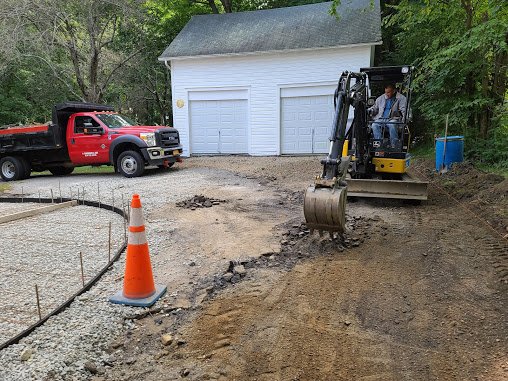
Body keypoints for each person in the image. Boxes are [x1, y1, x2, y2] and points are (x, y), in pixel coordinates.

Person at [368, 84, 407, 148]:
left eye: (388, 92)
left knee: (392, 124)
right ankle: (379, 145)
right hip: (381, 118)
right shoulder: (380, 98)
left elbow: (405, 110)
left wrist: (406, 119)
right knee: (374, 125)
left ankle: (394, 146)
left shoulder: (401, 98)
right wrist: (370, 110)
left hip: (393, 118)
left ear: (394, 91)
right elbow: (375, 108)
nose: (386, 94)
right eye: (385, 92)